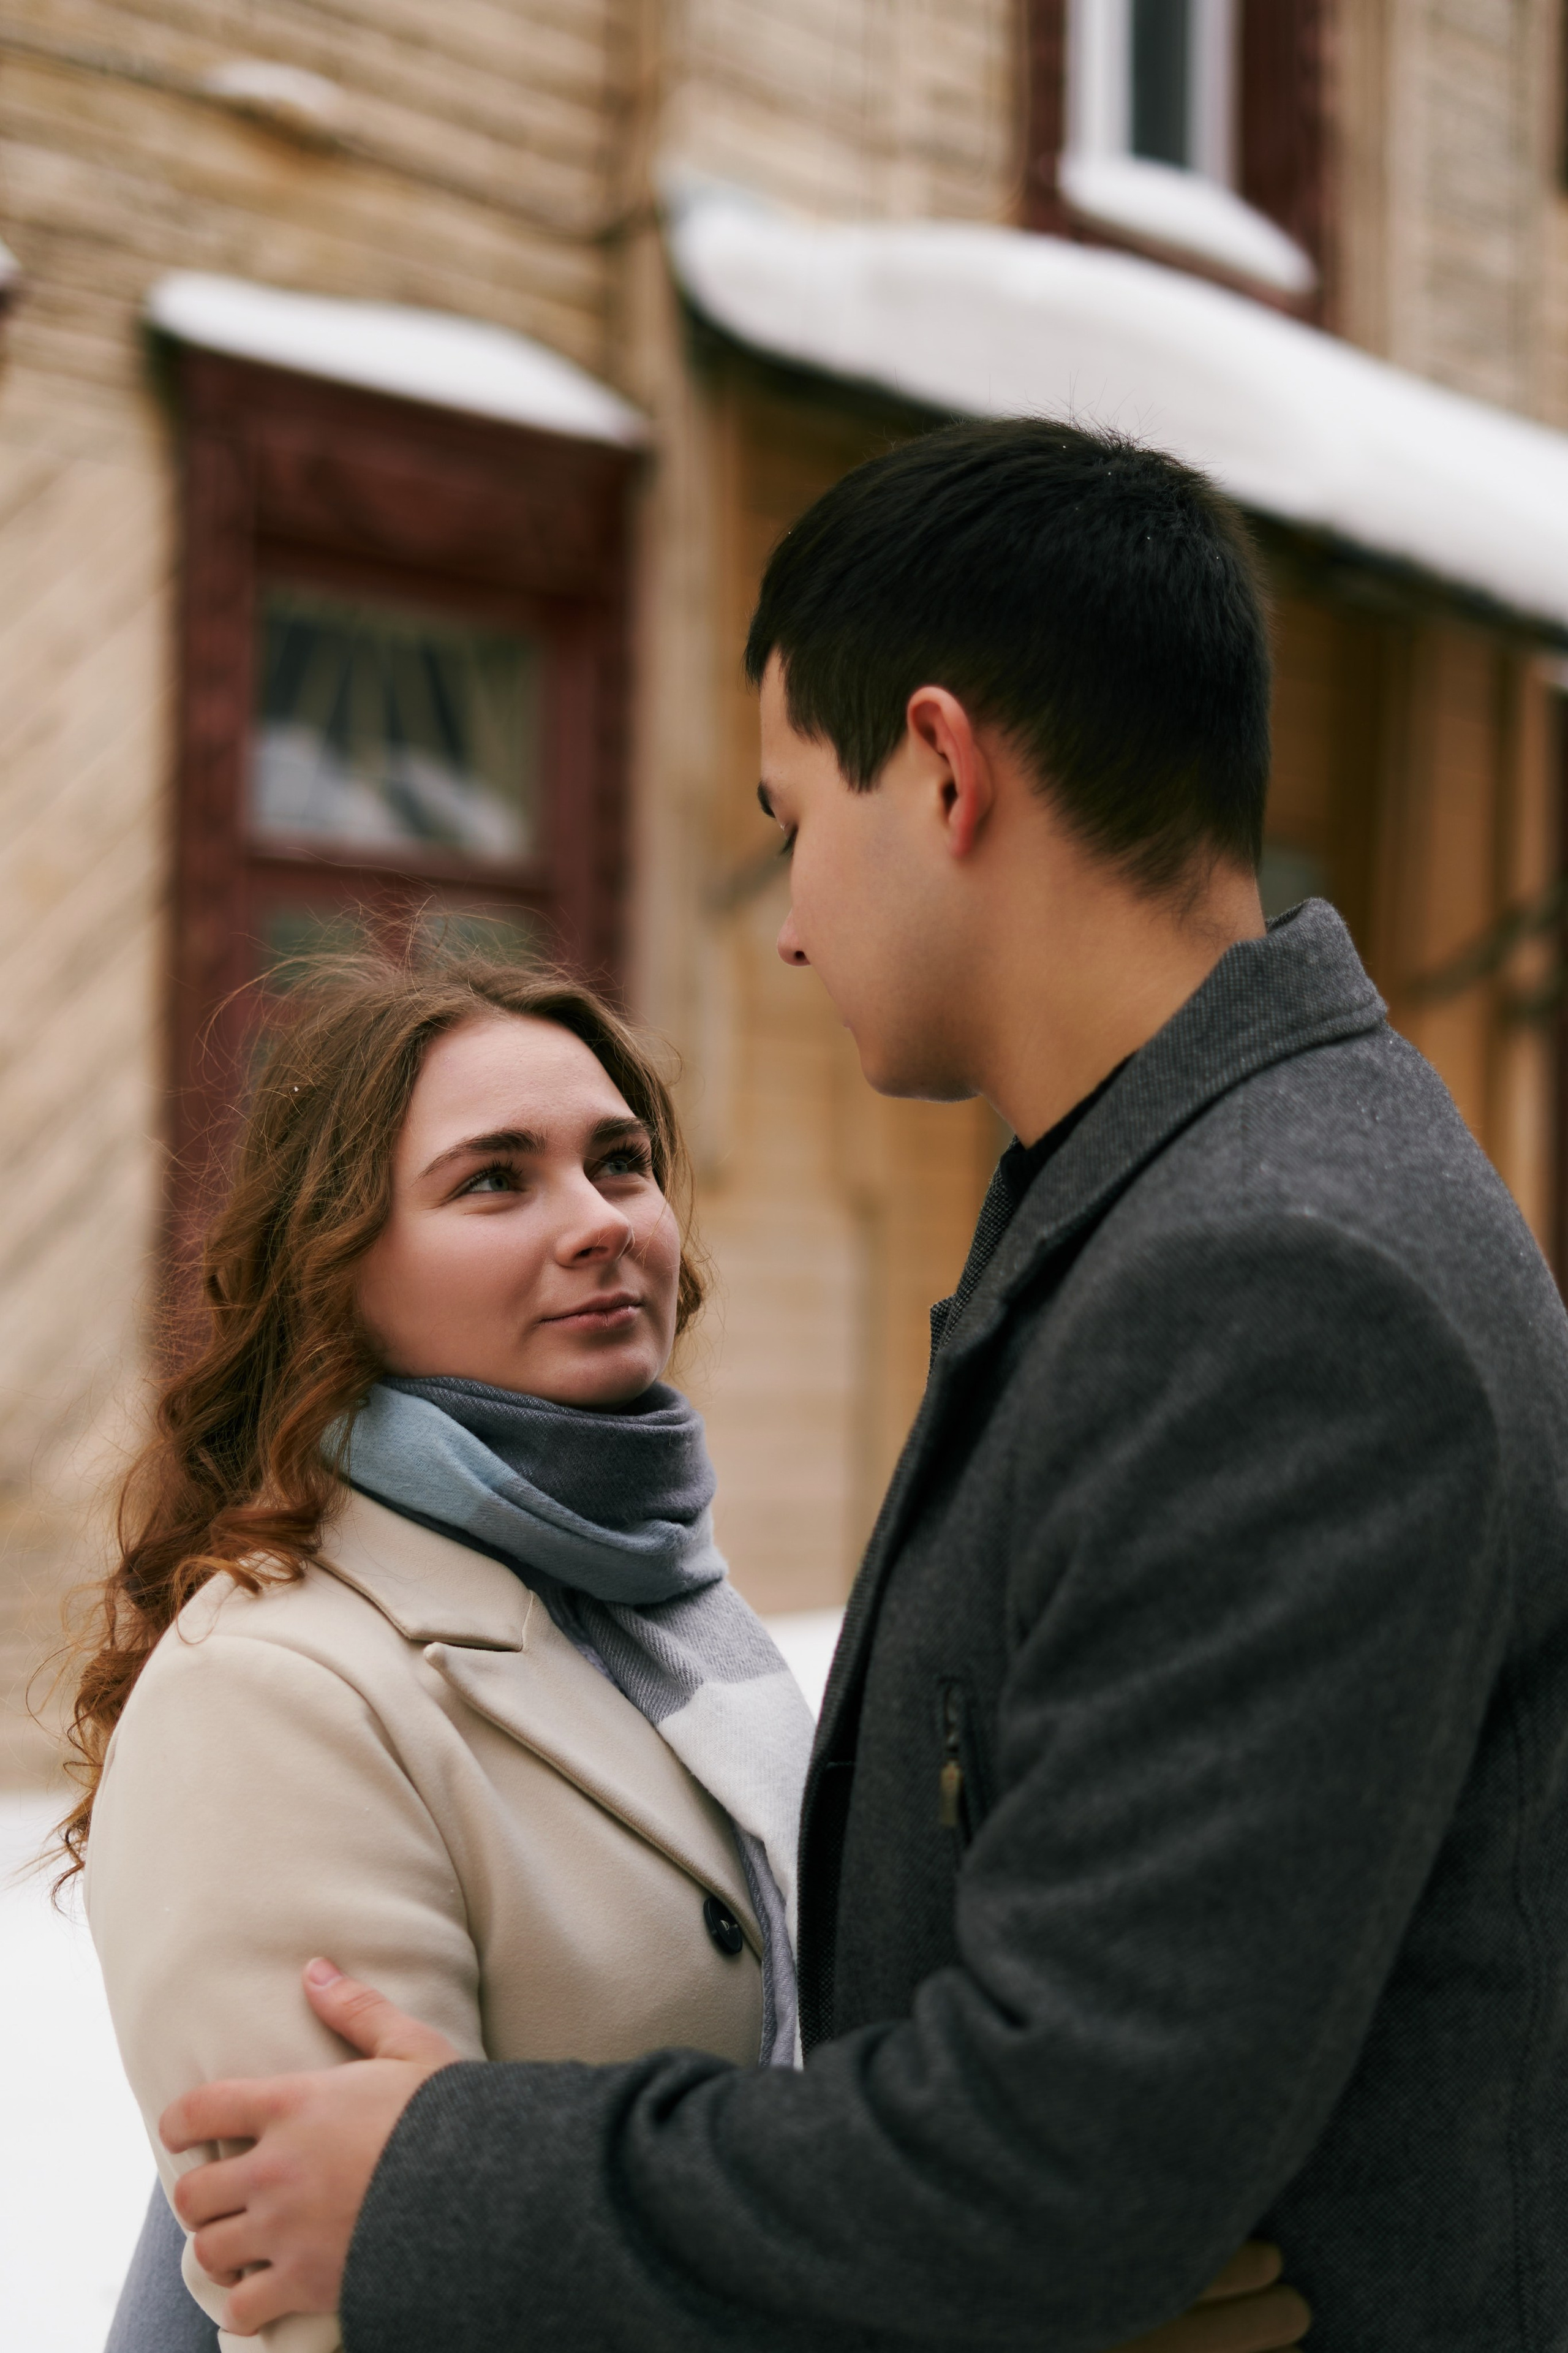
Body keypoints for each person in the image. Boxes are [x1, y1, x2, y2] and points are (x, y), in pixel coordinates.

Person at [157, 419, 1568, 2352]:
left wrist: (439, 2180)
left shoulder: (1272, 1272)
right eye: (492, 1178)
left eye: (790, 815)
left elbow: (1059, 2162)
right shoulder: (1188, 1204)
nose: (795, 913)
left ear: (942, 764)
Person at [81, 950, 1301, 2353]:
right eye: (495, 1178)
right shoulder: (269, 1695)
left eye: (621, 1162)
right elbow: (362, 2315)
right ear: (335, 1267)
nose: (599, 1221)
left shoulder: (662, 1605)